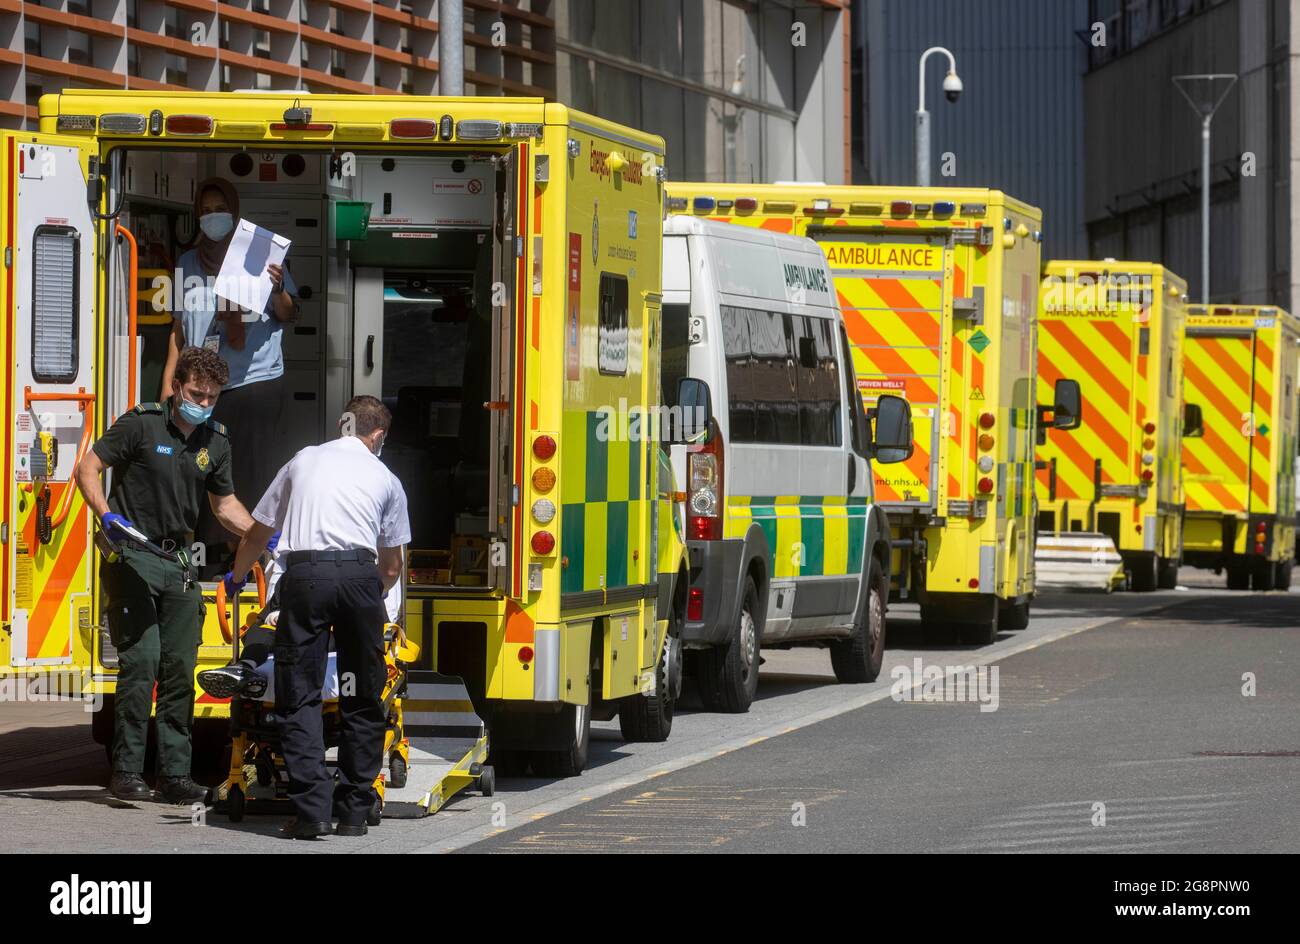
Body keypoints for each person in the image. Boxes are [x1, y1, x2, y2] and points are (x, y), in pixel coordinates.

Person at [75, 347, 257, 803]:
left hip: (179, 563)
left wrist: (262, 534)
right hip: (132, 553)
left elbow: (224, 506)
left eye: (212, 397)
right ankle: (128, 771)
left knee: (181, 667)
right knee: (142, 663)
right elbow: (89, 468)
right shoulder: (141, 423)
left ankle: (175, 775)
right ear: (176, 386)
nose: (203, 402)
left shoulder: (215, 441)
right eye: (196, 393)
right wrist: (106, 515)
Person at [227, 395, 410, 839]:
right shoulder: (386, 477)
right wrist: (370, 594)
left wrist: (235, 577)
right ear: (378, 435)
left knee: (300, 696)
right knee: (364, 696)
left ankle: (311, 813)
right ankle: (352, 812)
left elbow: (260, 530)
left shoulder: (303, 460)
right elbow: (391, 566)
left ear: (342, 425)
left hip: (305, 578)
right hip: (359, 579)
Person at [159, 176, 299, 560]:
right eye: (205, 211)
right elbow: (179, 329)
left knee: (254, 475)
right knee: (205, 472)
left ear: (234, 211)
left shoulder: (259, 255)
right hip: (204, 391)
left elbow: (288, 314)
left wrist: (279, 287)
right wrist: (168, 391)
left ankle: (254, 556)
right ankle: (214, 559)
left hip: (255, 384)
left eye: (219, 209)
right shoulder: (188, 263)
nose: (212, 216)